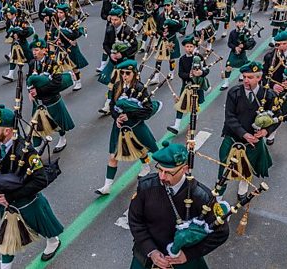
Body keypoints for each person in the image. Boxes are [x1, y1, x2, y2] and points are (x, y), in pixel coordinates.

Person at [128, 141, 229, 269]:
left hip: (184, 262)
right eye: (160, 169)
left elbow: (221, 232)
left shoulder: (202, 196)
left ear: (185, 169)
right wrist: (151, 250)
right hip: (147, 257)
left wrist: (188, 255)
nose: (162, 177)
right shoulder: (146, 187)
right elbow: (135, 221)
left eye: (169, 172)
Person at [0, 104, 63, 269]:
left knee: (43, 225)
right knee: (7, 238)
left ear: (7, 131)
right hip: (6, 201)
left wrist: (11, 196)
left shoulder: (26, 151)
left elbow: (40, 180)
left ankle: (53, 240)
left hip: (27, 200)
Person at [95, 59, 160, 195]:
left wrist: (129, 115)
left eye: (127, 73)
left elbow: (147, 110)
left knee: (144, 148)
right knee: (113, 155)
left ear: (135, 74)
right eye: (122, 73)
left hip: (135, 125)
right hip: (119, 126)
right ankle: (107, 186)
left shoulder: (140, 88)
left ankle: (146, 165)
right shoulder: (117, 86)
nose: (124, 75)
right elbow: (113, 105)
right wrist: (116, 117)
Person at [218, 61, 277, 201]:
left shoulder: (268, 95)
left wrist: (265, 132)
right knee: (224, 168)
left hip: (254, 141)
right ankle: (218, 195)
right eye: (244, 76)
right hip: (233, 138)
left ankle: (243, 188)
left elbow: (276, 117)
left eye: (250, 77)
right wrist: (244, 134)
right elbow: (230, 117)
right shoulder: (234, 92)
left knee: (247, 167)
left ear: (259, 78)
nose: (245, 80)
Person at [98, 3, 139, 115]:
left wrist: (123, 54)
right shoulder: (110, 29)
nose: (113, 22)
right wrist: (110, 54)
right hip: (114, 61)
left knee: (126, 84)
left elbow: (135, 46)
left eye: (116, 20)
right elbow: (105, 44)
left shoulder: (128, 31)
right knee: (112, 83)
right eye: (112, 19)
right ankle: (108, 104)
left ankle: (127, 103)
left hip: (125, 62)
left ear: (122, 18)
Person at [167, 35, 210, 134]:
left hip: (197, 85)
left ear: (194, 47)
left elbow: (206, 70)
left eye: (191, 46)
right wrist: (189, 75)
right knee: (181, 104)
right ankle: (177, 126)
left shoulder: (199, 57)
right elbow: (180, 73)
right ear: (184, 48)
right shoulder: (182, 59)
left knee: (195, 105)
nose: (189, 48)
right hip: (186, 85)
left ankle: (193, 121)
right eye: (187, 46)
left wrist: (201, 73)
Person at [262, 30, 287, 145]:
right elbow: (264, 75)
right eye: (278, 44)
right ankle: (271, 133)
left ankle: (272, 132)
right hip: (272, 91)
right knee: (271, 113)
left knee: (281, 115)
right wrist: (273, 85)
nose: (280, 46)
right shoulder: (269, 56)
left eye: (283, 43)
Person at [27, 71, 75, 153]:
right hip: (40, 105)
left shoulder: (50, 64)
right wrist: (31, 90)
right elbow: (30, 79)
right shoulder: (35, 63)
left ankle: (63, 139)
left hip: (53, 102)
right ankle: (36, 150)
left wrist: (39, 90)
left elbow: (56, 82)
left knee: (59, 123)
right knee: (37, 127)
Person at [52, 3, 88, 91]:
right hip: (61, 46)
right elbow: (54, 32)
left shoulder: (71, 21)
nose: (59, 14)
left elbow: (75, 34)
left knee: (74, 65)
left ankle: (78, 81)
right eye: (58, 12)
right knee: (61, 65)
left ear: (65, 12)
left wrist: (65, 34)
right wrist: (57, 39)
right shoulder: (57, 20)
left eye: (61, 12)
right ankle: (69, 78)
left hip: (70, 45)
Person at [148, 0, 183, 85]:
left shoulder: (175, 14)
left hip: (171, 38)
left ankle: (171, 72)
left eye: (168, 5)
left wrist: (171, 25)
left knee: (171, 57)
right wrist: (161, 33)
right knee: (159, 58)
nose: (166, 7)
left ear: (171, 5)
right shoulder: (161, 16)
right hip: (163, 39)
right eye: (165, 6)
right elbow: (158, 28)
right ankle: (156, 76)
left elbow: (179, 26)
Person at [220, 13, 256, 91]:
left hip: (242, 53)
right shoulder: (232, 32)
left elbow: (251, 42)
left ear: (243, 23)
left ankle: (241, 75)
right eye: (237, 22)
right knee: (228, 67)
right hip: (233, 52)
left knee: (244, 66)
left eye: (240, 22)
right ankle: (226, 83)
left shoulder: (247, 32)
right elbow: (229, 43)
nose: (238, 24)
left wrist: (244, 46)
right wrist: (235, 47)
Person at [2, 5, 34, 82]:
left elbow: (26, 31)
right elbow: (8, 31)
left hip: (22, 42)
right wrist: (12, 34)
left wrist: (18, 34)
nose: (8, 16)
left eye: (10, 15)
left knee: (30, 57)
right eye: (8, 15)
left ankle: (32, 71)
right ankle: (10, 74)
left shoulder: (21, 21)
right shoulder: (8, 21)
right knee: (13, 57)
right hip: (14, 42)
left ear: (14, 14)